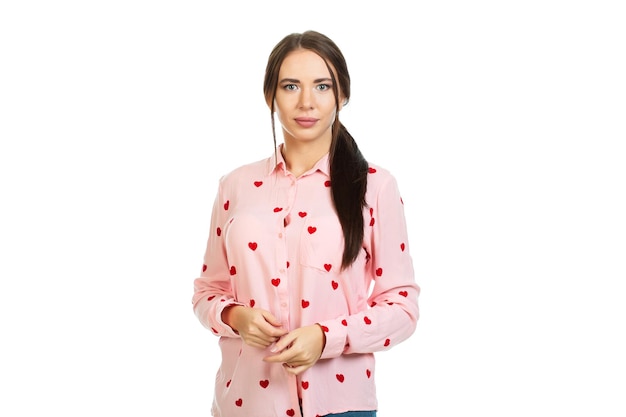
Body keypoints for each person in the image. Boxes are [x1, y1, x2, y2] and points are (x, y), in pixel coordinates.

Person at [192, 30, 420, 417]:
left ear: (342, 95)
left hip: (338, 405)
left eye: (322, 86)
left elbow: (402, 307)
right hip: (245, 403)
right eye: (291, 86)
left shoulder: (376, 186)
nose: (306, 102)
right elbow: (206, 292)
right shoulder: (235, 185)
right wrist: (236, 316)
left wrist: (325, 337)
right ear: (270, 96)